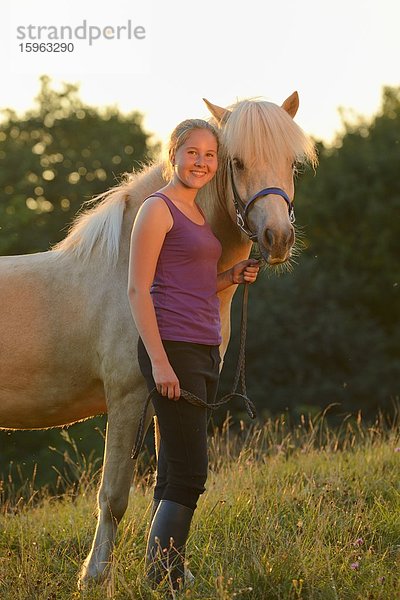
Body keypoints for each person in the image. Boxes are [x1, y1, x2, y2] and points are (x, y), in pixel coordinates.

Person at [127, 118, 259, 591]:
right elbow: (139, 290)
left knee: (173, 470)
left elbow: (194, 284)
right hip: (174, 350)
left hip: (204, 348)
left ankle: (160, 573)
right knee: (190, 473)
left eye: (210, 156)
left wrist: (232, 275)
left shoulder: (198, 215)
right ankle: (165, 579)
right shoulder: (157, 209)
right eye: (193, 153)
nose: (201, 162)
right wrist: (160, 362)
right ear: (174, 154)